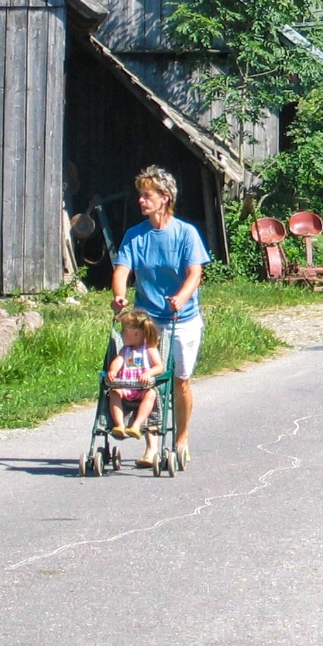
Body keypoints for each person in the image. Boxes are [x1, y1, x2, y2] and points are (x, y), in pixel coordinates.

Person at [110, 166, 211, 466]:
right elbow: (122, 270)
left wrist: (181, 297)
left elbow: (195, 273)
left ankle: (181, 438)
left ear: (164, 198)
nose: (141, 200)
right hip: (147, 321)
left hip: (183, 319)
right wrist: (119, 294)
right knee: (148, 382)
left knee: (180, 381)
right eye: (141, 195)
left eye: (147, 195)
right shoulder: (135, 235)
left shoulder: (185, 233)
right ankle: (152, 447)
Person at [107, 310, 163, 439]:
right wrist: (113, 371)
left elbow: (159, 367)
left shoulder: (149, 348)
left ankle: (136, 425)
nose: (121, 334)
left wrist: (149, 373)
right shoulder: (125, 350)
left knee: (151, 394)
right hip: (125, 386)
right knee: (114, 393)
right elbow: (118, 361)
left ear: (136, 333)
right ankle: (119, 425)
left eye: (124, 331)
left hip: (142, 387)